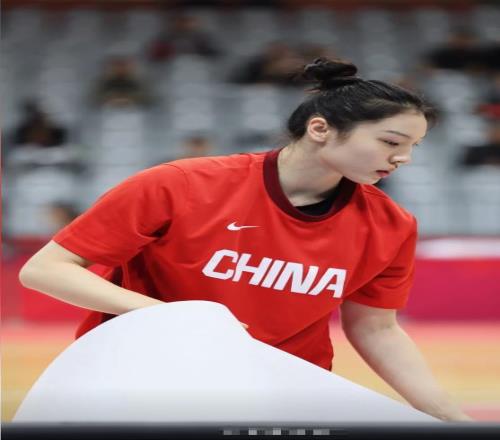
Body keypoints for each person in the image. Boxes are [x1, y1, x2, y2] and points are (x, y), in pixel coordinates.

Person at [19, 58, 471, 422]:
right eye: (391, 141)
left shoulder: (392, 225)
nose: (404, 158)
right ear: (320, 129)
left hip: (277, 397)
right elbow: (45, 269)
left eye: (413, 147)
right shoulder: (179, 184)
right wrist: (180, 319)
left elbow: (377, 328)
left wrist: (448, 415)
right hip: (144, 381)